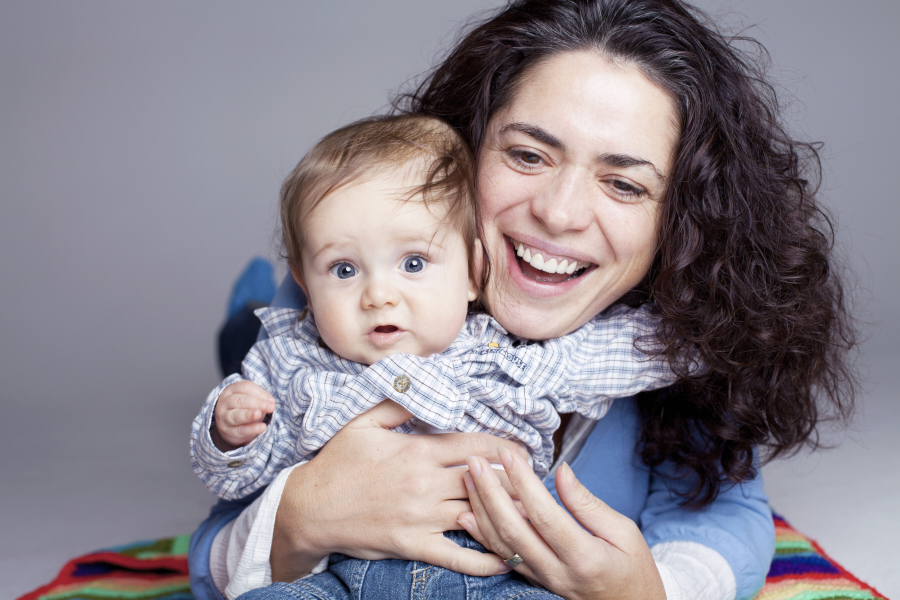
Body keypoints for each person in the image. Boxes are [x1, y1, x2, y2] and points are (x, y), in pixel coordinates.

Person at [188, 1, 857, 599]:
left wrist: (655, 589)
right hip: (290, 387)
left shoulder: (670, 338)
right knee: (245, 344)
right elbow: (211, 551)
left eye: (623, 185)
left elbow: (728, 515)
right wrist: (301, 518)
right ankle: (244, 310)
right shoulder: (365, 284)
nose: (560, 215)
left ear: (681, 222)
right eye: (529, 155)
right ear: (465, 149)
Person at [191, 114, 678, 599]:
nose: (379, 295)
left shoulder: (503, 360)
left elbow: (630, 349)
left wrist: (719, 328)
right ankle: (244, 315)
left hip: (494, 580)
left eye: (413, 263)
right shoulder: (296, 364)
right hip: (335, 581)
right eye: (343, 270)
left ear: (472, 273)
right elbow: (237, 483)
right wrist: (230, 434)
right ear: (303, 284)